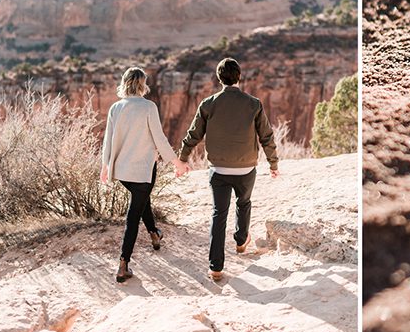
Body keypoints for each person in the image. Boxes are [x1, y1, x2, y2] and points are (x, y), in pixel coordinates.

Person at [178, 57, 279, 282]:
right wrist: (273, 163)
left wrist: (183, 159)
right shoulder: (253, 103)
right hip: (246, 169)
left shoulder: (208, 103)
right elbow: (266, 136)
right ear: (239, 77)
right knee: (244, 203)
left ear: (219, 77)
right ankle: (241, 241)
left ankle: (216, 267)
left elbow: (194, 135)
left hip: (219, 170)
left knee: (218, 214)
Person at [100, 67, 190, 283]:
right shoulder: (148, 107)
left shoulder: (116, 107)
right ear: (142, 84)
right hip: (143, 169)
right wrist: (177, 162)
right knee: (133, 215)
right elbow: (159, 138)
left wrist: (105, 166)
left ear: (125, 82)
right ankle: (123, 264)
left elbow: (108, 139)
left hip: (122, 171)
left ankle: (154, 233)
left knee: (142, 201)